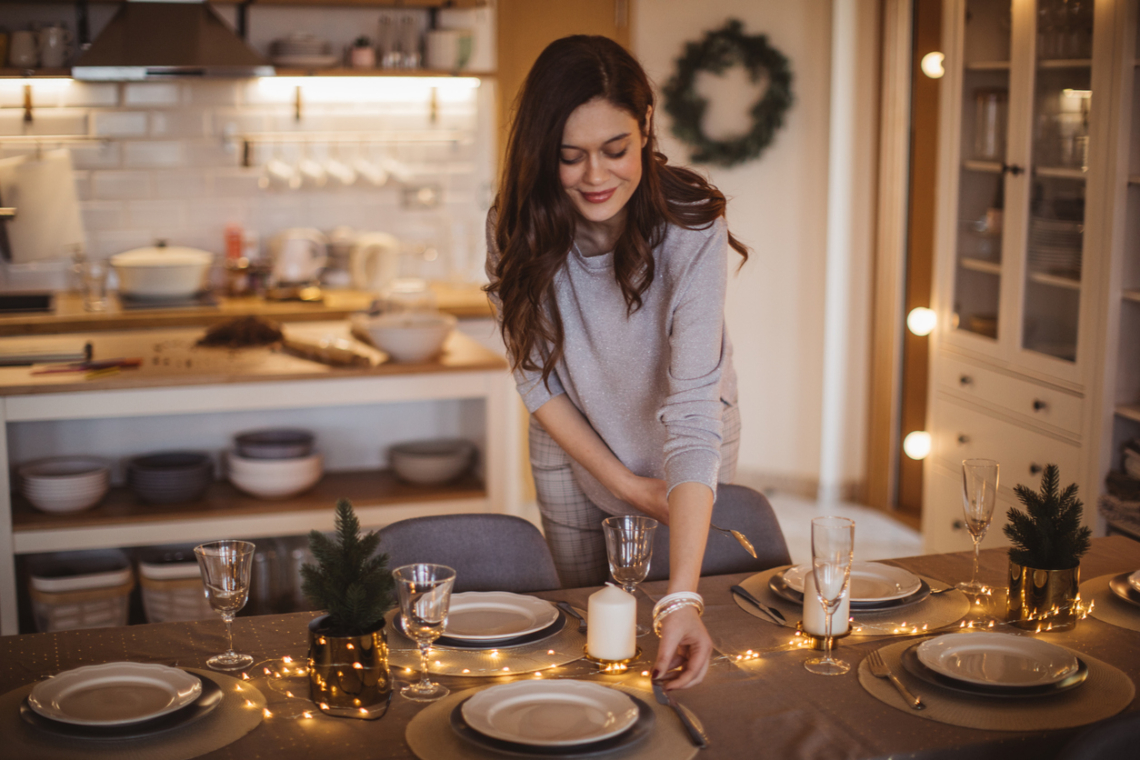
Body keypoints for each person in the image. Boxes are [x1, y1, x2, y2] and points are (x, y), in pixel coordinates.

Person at [485, 35, 748, 690]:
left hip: (686, 450)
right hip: (571, 444)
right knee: (587, 628)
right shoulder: (513, 226)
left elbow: (693, 413)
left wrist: (683, 601)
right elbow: (535, 377)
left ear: (647, 128)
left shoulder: (692, 226)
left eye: (615, 150)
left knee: (676, 617)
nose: (596, 177)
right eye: (570, 158)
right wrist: (628, 488)